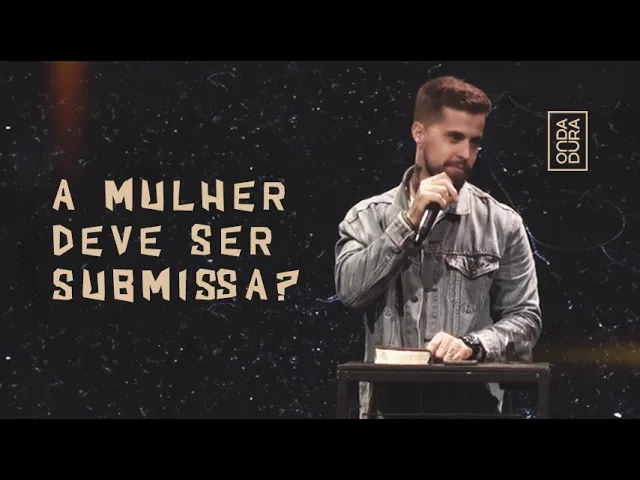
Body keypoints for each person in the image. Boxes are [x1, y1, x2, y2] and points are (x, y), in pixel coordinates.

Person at [333, 75, 542, 418]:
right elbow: (351, 292)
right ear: (419, 132)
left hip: (473, 408)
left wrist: (472, 345)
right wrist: (408, 222)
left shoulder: (502, 224)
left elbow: (526, 320)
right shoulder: (366, 218)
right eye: (454, 137)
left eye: (475, 142)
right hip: (388, 408)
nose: (465, 153)